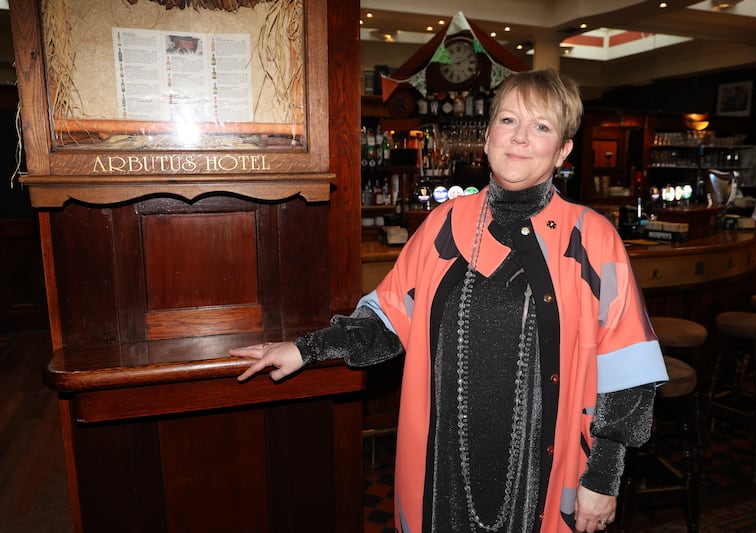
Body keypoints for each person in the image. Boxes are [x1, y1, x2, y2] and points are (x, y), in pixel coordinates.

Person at [231, 69, 668, 533]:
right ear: (486, 136)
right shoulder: (444, 224)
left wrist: (602, 477)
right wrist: (306, 348)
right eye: (508, 120)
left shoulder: (592, 239)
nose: (520, 138)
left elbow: (628, 374)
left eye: (541, 127)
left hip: (542, 474)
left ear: (563, 150)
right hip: (443, 470)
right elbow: (387, 318)